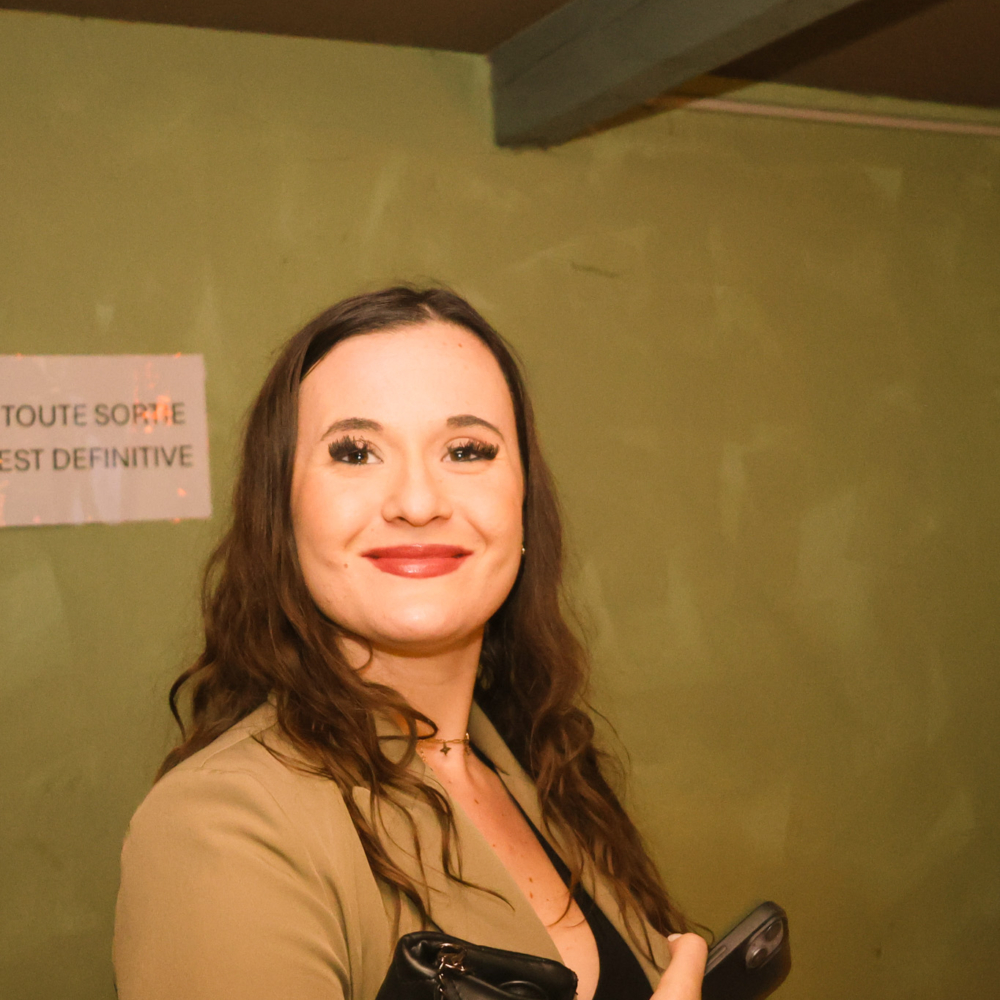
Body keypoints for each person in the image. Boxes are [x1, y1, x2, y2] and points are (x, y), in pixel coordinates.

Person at [113, 286, 708, 1000]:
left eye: (466, 450)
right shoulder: (219, 827)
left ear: (524, 502)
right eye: (356, 452)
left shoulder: (541, 765)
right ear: (283, 512)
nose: (419, 503)